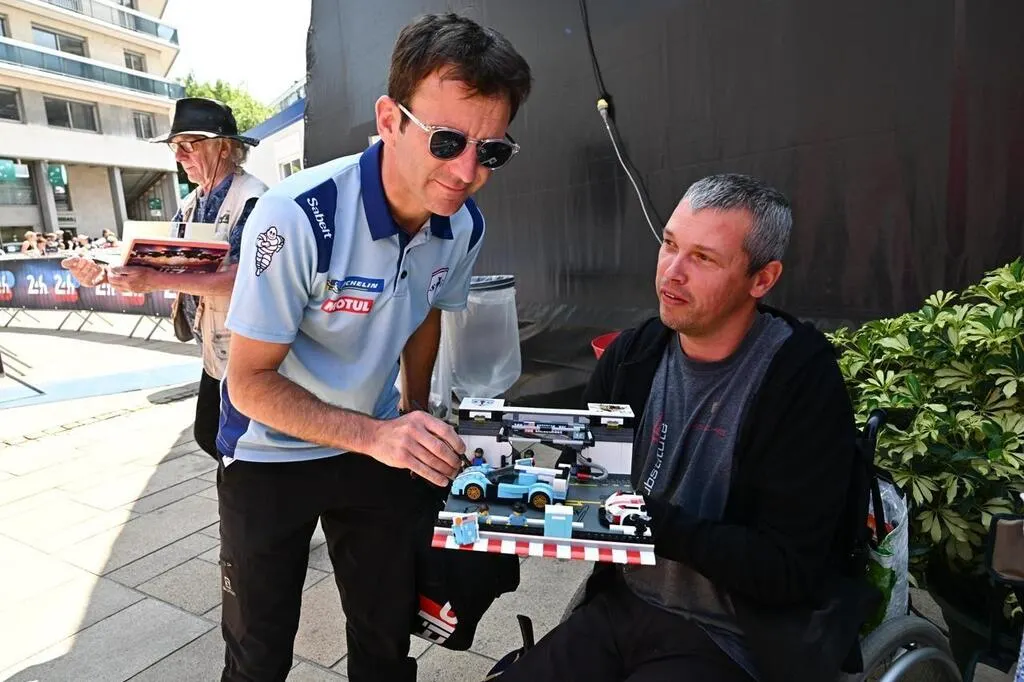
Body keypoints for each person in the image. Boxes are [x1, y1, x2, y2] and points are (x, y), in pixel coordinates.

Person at [215, 13, 531, 682]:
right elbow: (247, 382)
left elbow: (425, 309)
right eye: (447, 141)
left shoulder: (462, 225)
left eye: (491, 151)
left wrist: (416, 411)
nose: (467, 171)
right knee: (258, 654)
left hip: (373, 444)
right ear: (389, 120)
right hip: (268, 453)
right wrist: (379, 435)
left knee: (385, 639)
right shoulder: (297, 216)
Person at [498, 174, 872, 682]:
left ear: (762, 280)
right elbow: (585, 482)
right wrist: (512, 500)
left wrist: (651, 522)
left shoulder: (801, 383)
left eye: (703, 258)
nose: (672, 272)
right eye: (670, 244)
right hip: (625, 602)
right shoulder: (632, 356)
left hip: (738, 638)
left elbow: (788, 571)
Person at [61, 97, 267, 459]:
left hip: (246, 348)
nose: (179, 156)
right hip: (216, 348)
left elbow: (242, 278)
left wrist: (154, 281)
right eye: (175, 146)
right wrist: (103, 274)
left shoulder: (253, 199)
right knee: (216, 436)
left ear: (224, 147)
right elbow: (152, 263)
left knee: (232, 442)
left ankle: (250, 489)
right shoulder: (191, 203)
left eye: (189, 145)